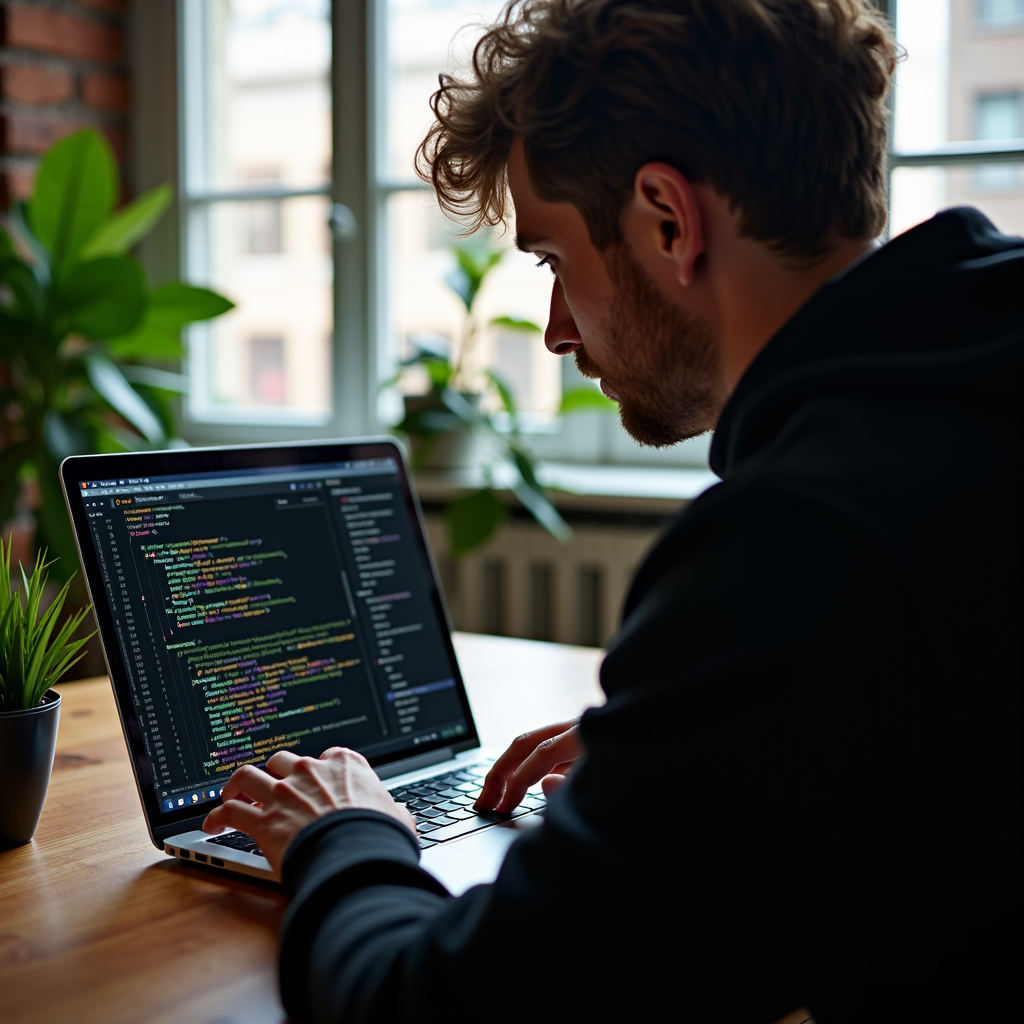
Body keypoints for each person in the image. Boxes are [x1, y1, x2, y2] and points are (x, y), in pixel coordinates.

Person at [203, 1, 1023, 1020]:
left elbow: (420, 1008)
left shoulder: (796, 543)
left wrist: (345, 830)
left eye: (551, 261)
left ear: (667, 219)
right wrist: (708, 755)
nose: (551, 330)